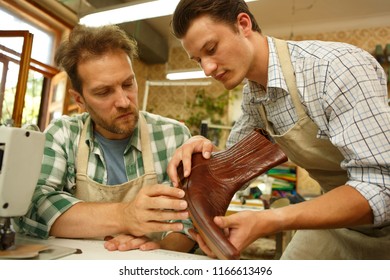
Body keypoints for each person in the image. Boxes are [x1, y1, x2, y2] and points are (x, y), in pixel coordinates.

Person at [167, 0, 390, 259]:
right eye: (198, 60)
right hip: (340, 223)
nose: (207, 69)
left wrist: (271, 219)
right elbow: (235, 168)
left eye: (212, 48)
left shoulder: (334, 69)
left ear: (243, 24)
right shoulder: (254, 95)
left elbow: (383, 188)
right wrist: (203, 158)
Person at [14, 24, 196, 253]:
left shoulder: (173, 136)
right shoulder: (63, 134)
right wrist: (125, 215)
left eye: (128, 84)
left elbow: (191, 217)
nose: (123, 101)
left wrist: (160, 249)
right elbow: (33, 207)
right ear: (79, 99)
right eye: (103, 92)